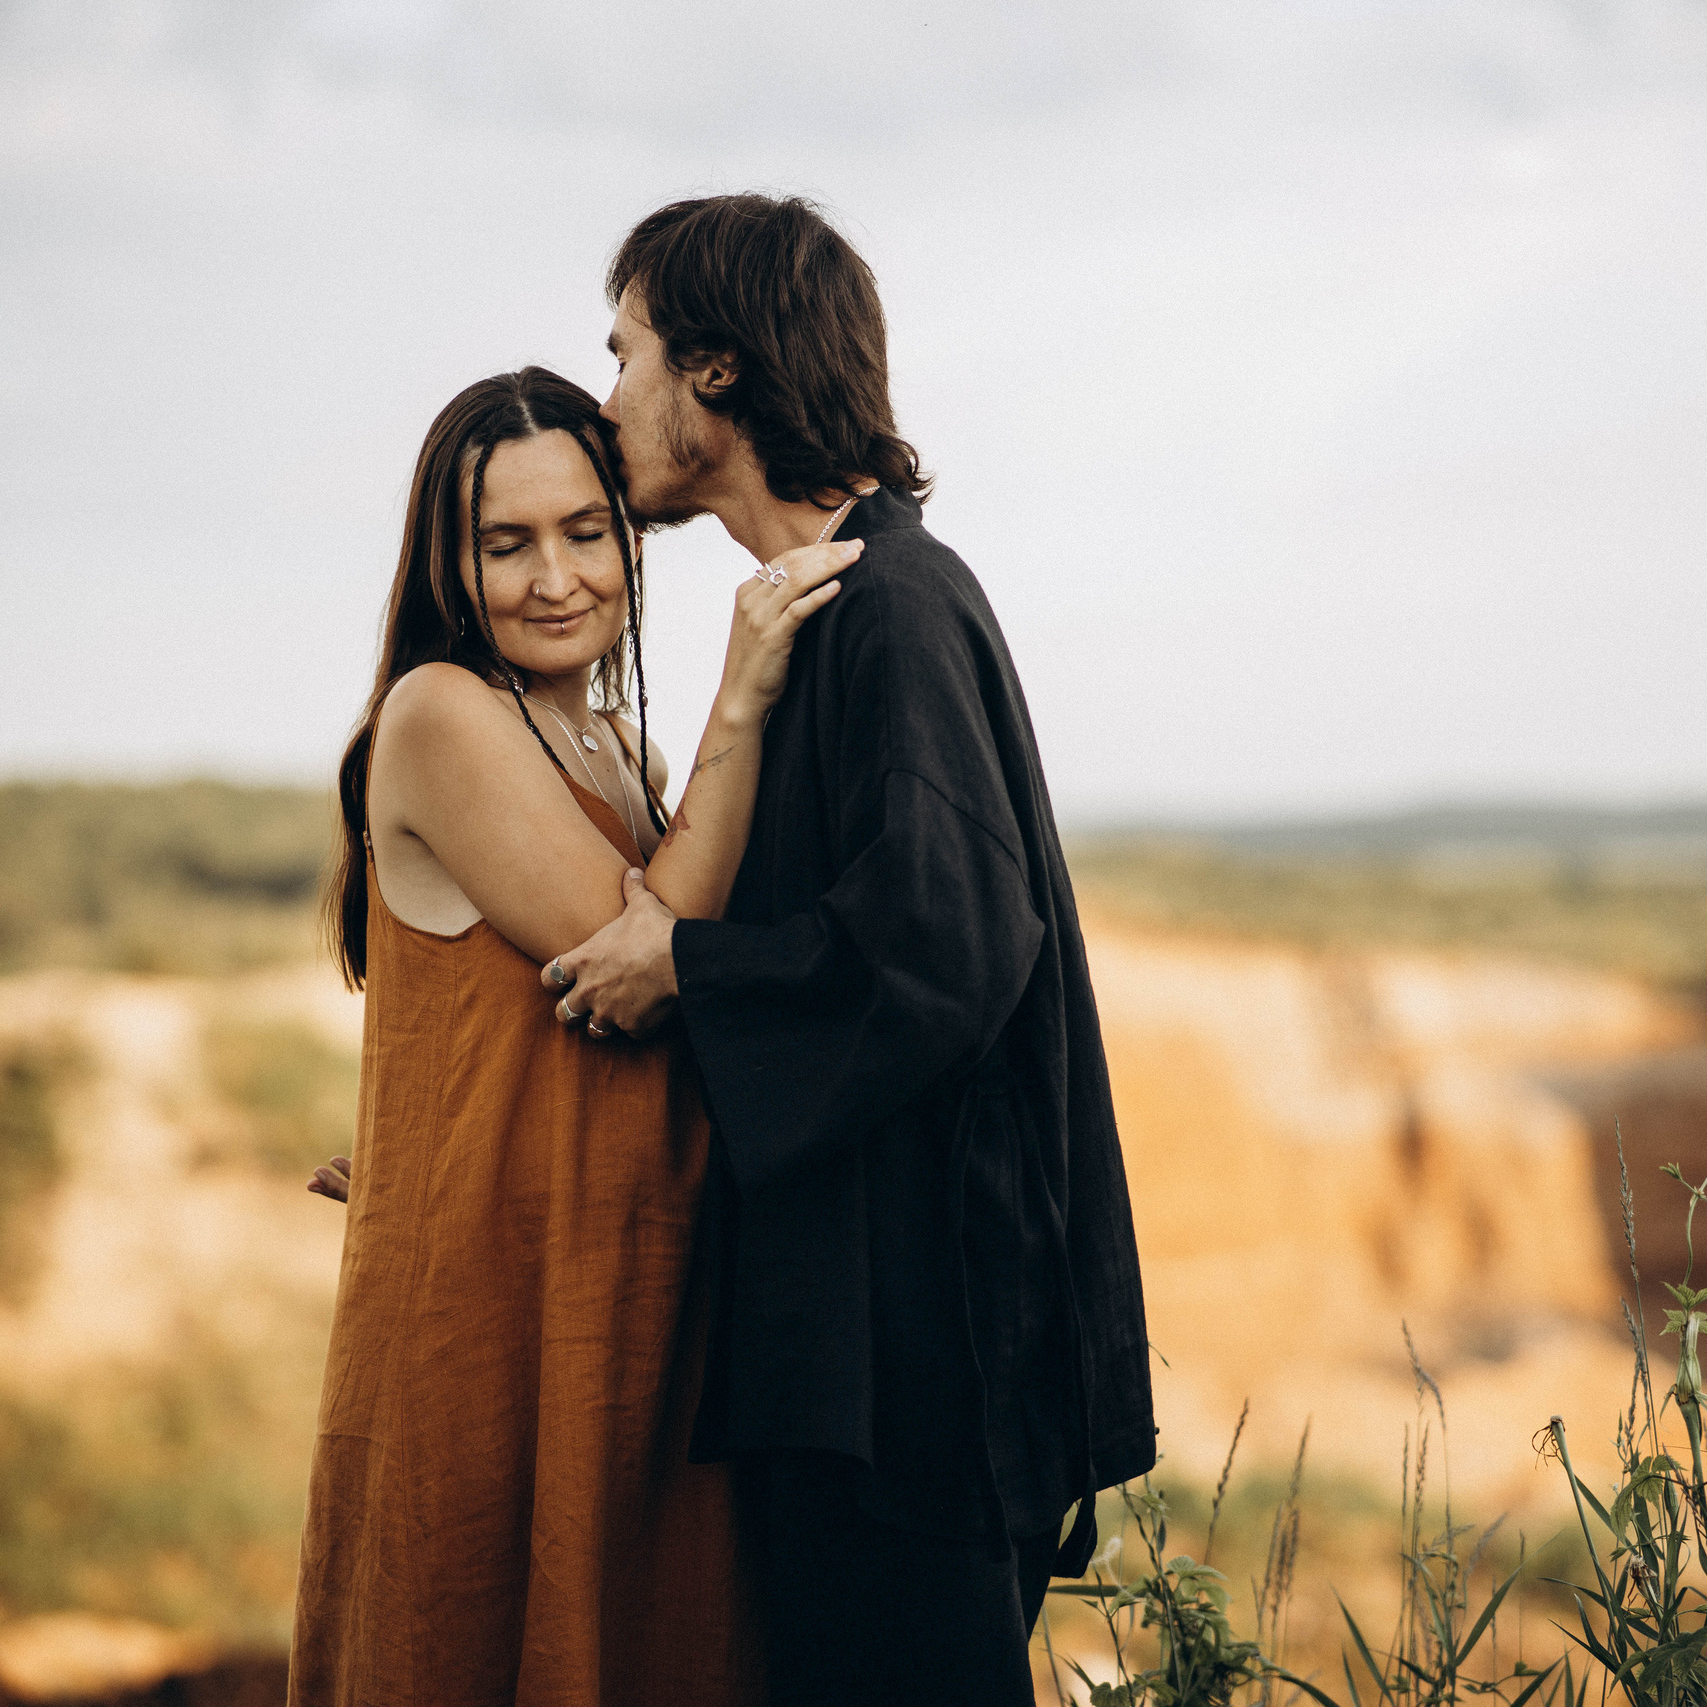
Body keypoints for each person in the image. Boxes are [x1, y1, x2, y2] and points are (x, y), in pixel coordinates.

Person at [543, 194, 1156, 1705]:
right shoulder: (831, 608)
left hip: (927, 1376)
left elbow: (945, 944)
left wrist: (681, 968)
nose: (608, 396)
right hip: (869, 1361)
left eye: (626, 355)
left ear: (719, 374)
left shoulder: (891, 607)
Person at [290, 365, 857, 1705]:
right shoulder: (439, 718)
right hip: (499, 1308)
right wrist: (744, 698)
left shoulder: (617, 751)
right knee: (476, 1639)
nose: (555, 578)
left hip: (624, 1292)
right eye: (507, 543)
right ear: (450, 562)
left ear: (626, 540)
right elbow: (650, 961)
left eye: (584, 533)